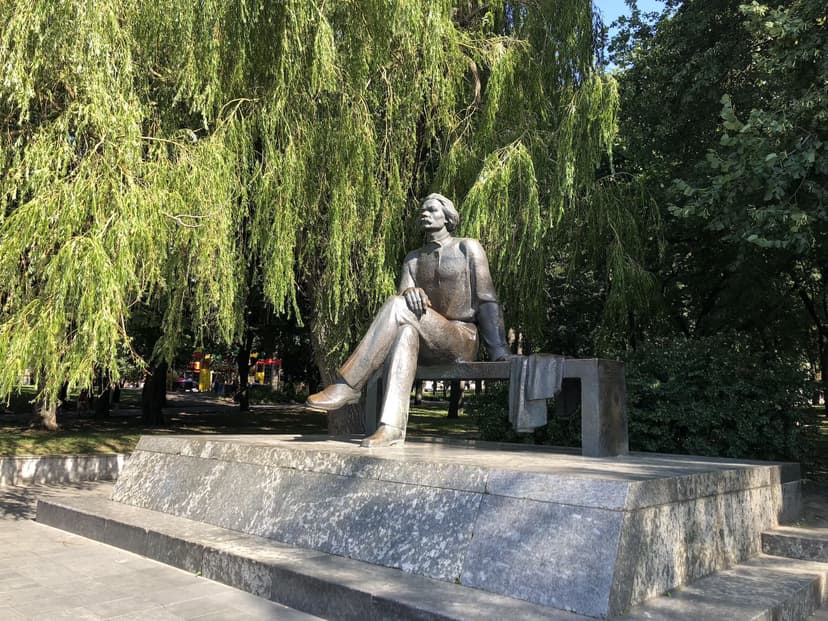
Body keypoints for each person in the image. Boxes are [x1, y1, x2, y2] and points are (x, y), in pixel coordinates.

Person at [307, 193, 510, 447]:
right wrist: (409, 291)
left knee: (396, 305)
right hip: (425, 342)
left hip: (461, 338)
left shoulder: (467, 247)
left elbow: (487, 300)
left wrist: (499, 351)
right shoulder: (412, 259)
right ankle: (390, 428)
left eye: (433, 210)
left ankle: (348, 384)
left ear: (448, 217)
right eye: (422, 211)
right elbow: (403, 303)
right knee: (404, 332)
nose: (425, 214)